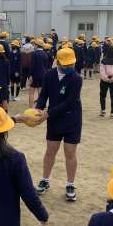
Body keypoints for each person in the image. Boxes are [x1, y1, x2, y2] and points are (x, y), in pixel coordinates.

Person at [35, 47, 82, 201]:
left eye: (71, 64)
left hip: (71, 118)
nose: (69, 67)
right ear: (58, 62)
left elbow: (70, 102)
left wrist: (48, 113)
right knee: (50, 150)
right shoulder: (49, 75)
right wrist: (38, 109)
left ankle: (70, 184)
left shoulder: (76, 78)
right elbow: (43, 95)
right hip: (54, 119)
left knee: (70, 152)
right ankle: (45, 180)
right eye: (66, 64)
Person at [29, 38, 48, 108]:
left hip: (34, 75)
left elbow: (32, 65)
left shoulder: (34, 53)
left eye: (34, 44)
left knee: (31, 93)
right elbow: (46, 66)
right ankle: (40, 107)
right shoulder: (45, 54)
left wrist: (30, 75)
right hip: (43, 75)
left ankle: (31, 108)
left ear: (37, 45)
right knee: (40, 92)